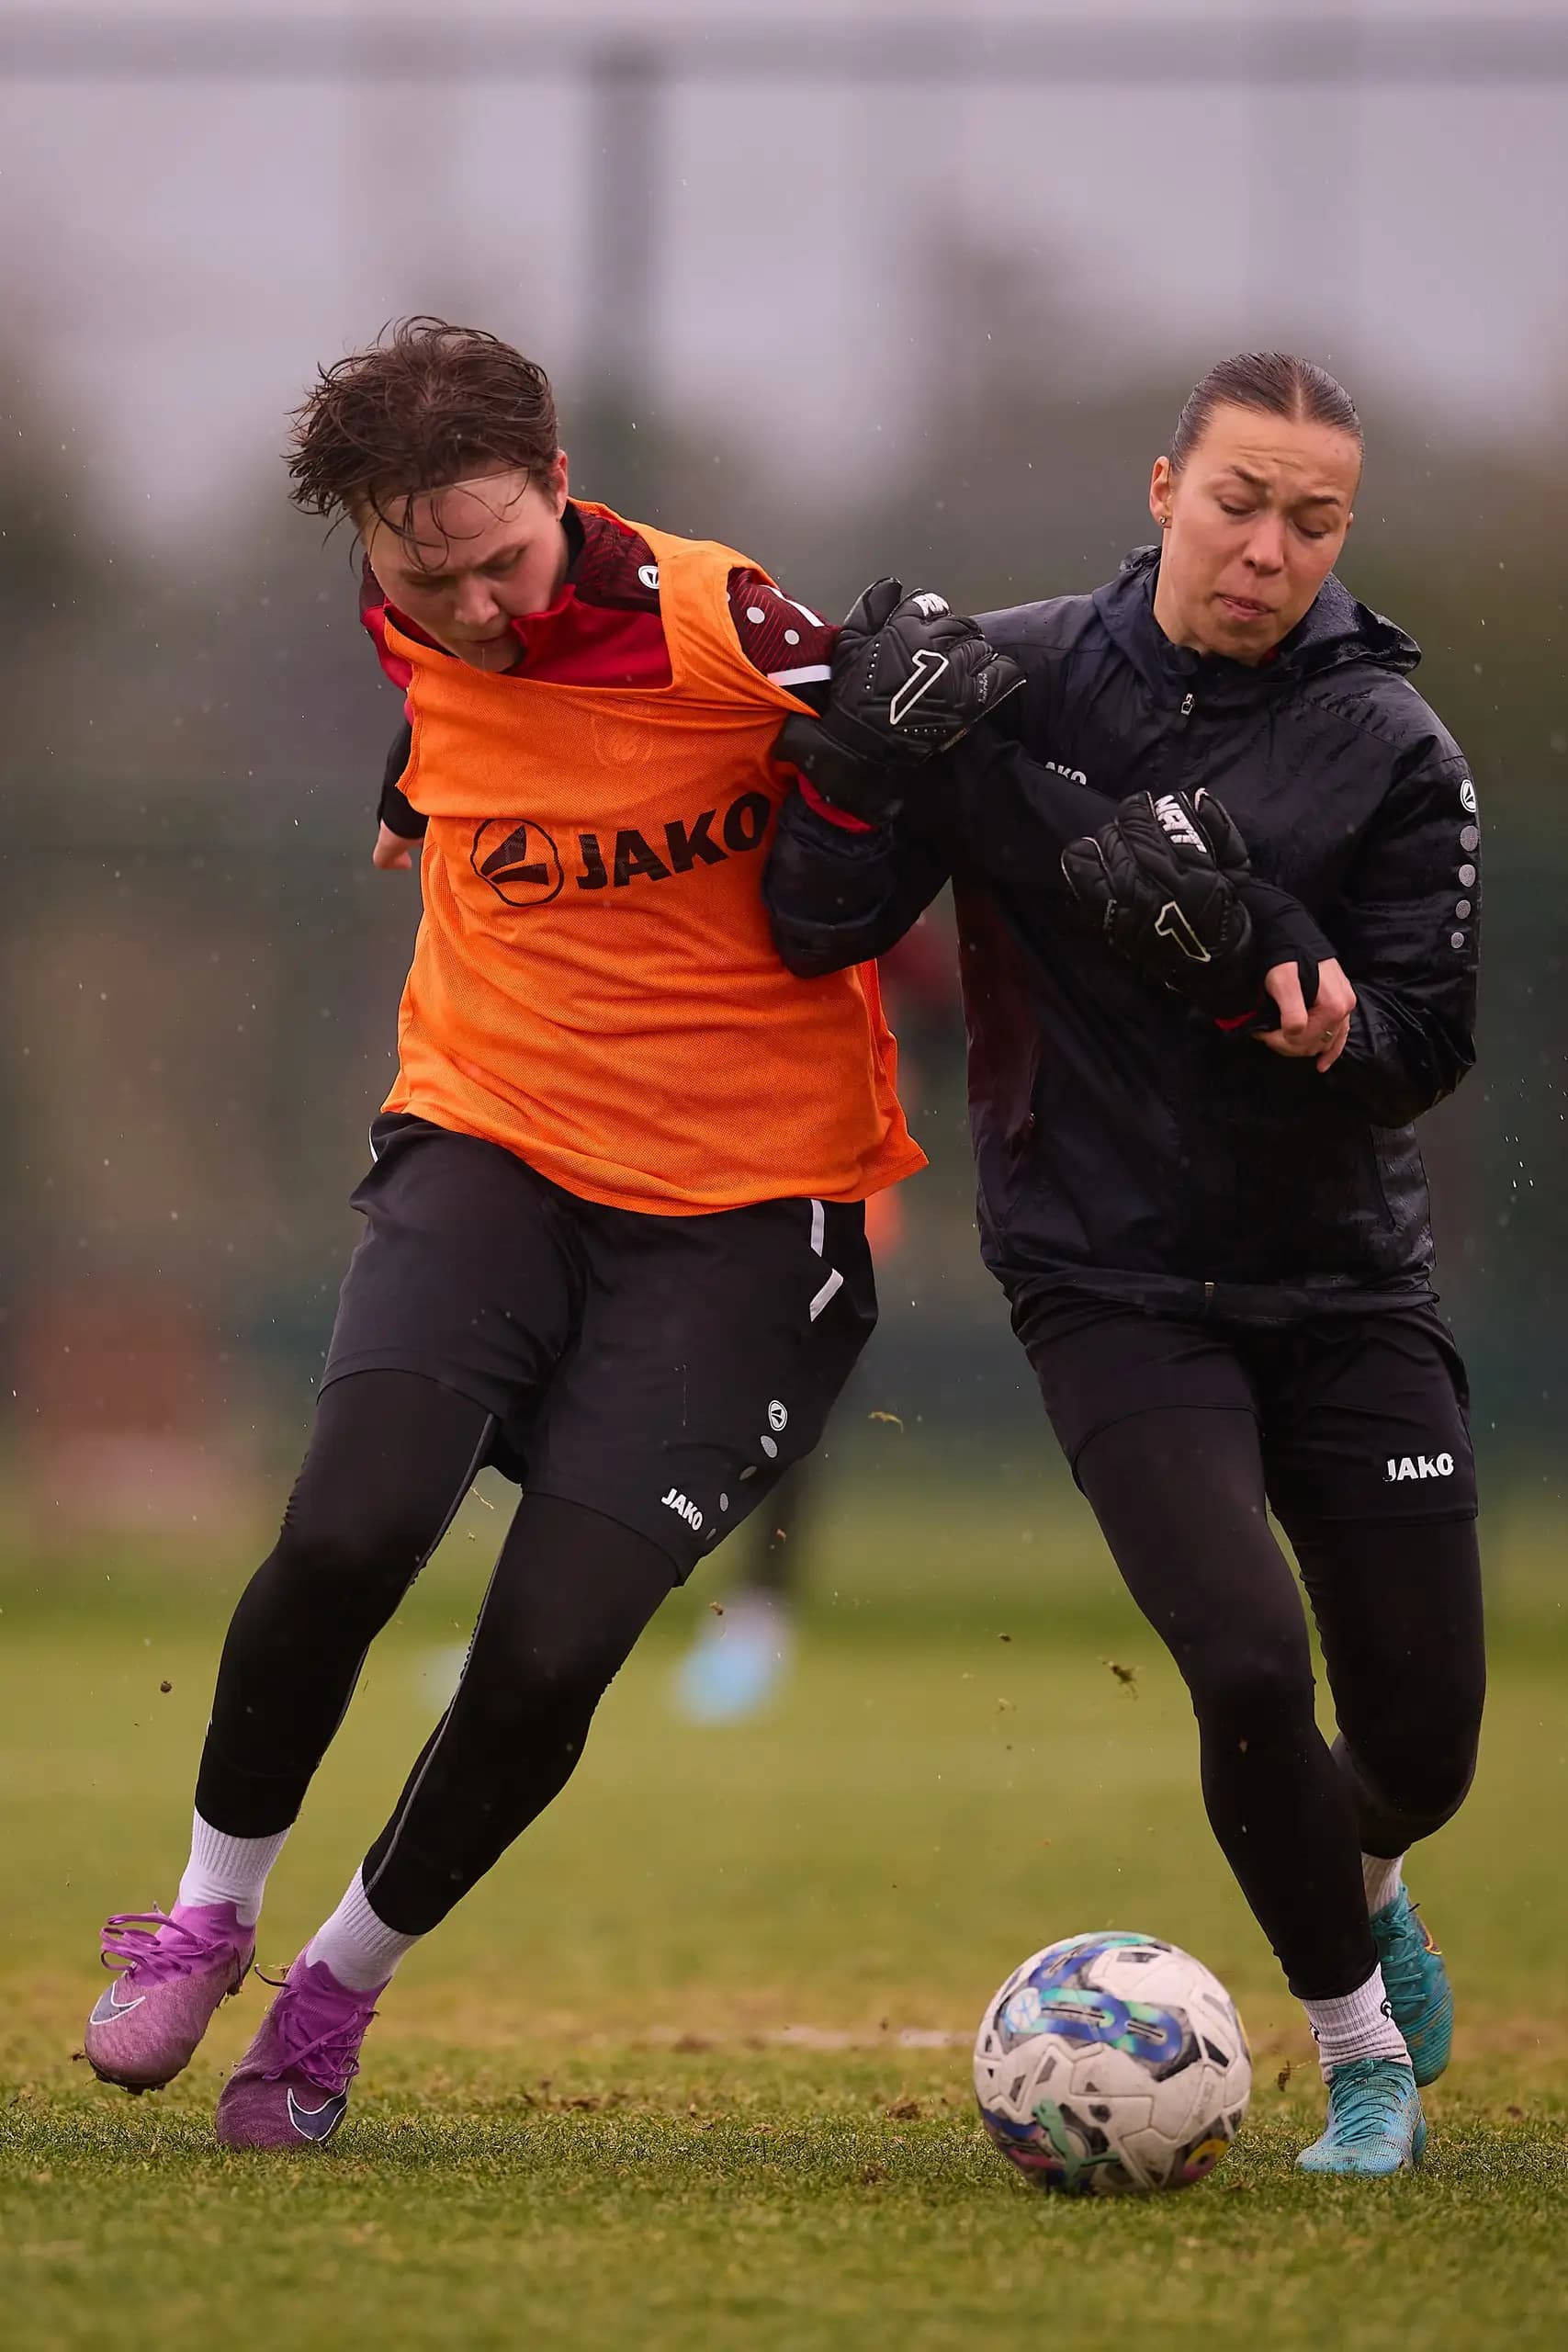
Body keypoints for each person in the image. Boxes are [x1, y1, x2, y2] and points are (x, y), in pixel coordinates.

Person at [82, 317, 957, 2150]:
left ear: (563, 485)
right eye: (431, 579)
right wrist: (415, 776)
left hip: (743, 1210)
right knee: (348, 1527)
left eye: (505, 560)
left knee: (549, 1648)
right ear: (371, 554)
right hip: (491, 1138)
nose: (477, 608)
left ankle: (333, 1990)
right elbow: (464, 706)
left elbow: (964, 745)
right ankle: (206, 1915)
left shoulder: (726, 624)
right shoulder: (406, 610)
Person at [766, 353, 1483, 2179]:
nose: (1268, 550)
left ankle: (1366, 1882)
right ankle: (1359, 2055)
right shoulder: (1000, 680)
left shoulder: (1392, 745)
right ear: (1163, 490)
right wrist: (855, 761)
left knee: (1420, 1744)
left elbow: (1423, 1039)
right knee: (1245, 1659)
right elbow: (816, 923)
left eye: (1312, 521)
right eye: (1237, 502)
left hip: (1346, 1286)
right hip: (1107, 1281)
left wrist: (1318, 1013)